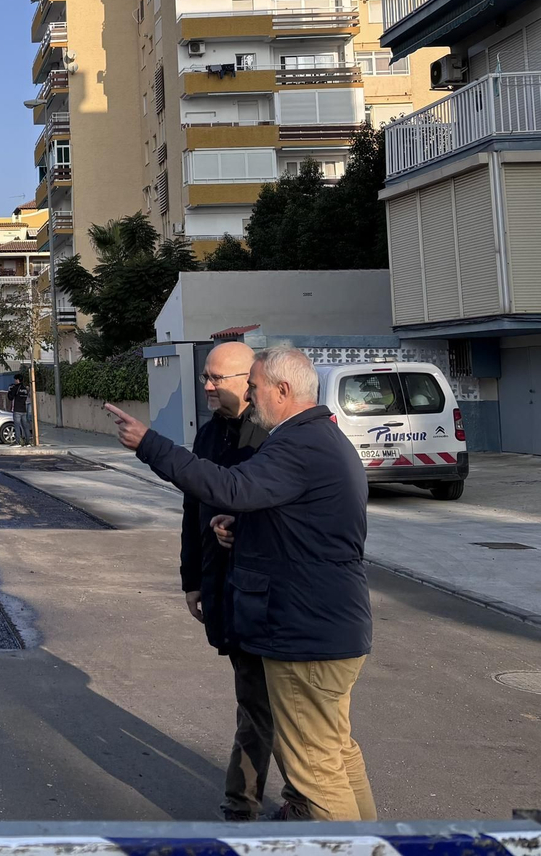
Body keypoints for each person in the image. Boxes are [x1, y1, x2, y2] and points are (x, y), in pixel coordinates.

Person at [105, 346, 375, 822]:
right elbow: (300, 526)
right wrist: (241, 529)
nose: (250, 395)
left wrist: (150, 443)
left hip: (303, 634)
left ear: (282, 390)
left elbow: (229, 487)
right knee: (335, 754)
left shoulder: (297, 445)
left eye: (254, 386)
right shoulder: (322, 438)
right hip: (330, 627)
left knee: (316, 773)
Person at [177, 341, 307, 821]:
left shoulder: (273, 437)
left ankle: (271, 804)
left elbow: (281, 511)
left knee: (270, 706)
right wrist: (192, 578)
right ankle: (256, 805)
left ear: (248, 382)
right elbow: (193, 511)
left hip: (269, 595)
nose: (207, 387)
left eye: (217, 379)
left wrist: (242, 529)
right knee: (254, 700)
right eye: (205, 377)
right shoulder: (210, 435)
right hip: (224, 589)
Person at [7, 372, 31, 446]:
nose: (15, 381)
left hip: (17, 410)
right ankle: (28, 442)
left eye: (15, 379)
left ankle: (17, 441)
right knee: (25, 426)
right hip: (24, 410)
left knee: (17, 426)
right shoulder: (25, 389)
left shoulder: (16, 388)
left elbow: (10, 397)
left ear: (17, 380)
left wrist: (9, 391)